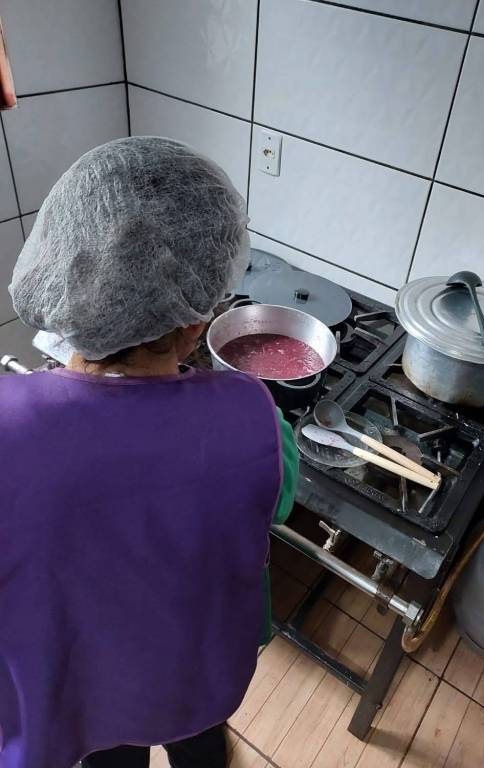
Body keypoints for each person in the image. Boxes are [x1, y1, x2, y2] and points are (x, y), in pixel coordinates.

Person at [0, 137, 299, 768]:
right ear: (197, 320)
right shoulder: (257, 417)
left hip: (84, 691)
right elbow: (275, 506)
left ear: (59, 275)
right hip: (196, 670)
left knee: (111, 755)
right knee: (199, 741)